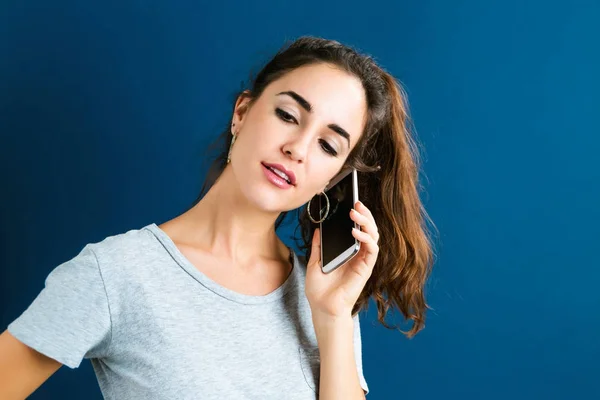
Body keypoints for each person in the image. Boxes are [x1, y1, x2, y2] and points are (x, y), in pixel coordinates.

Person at [0, 36, 435, 399]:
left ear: (333, 177)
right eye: (288, 115)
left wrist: (334, 317)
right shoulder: (115, 274)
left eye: (328, 145)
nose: (298, 148)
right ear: (242, 113)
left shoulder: (326, 296)